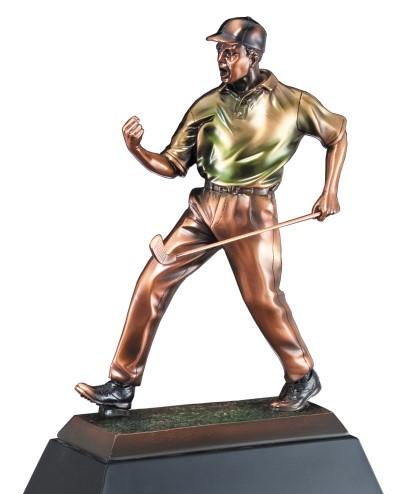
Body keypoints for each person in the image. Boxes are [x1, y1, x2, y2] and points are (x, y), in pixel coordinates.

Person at [75, 16, 347, 414]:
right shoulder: (207, 104)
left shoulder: (293, 102)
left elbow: (337, 133)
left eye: (230, 52)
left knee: (262, 298)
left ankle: (302, 374)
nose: (221, 59)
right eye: (219, 51)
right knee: (152, 281)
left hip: (253, 212)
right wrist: (138, 150)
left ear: (253, 56)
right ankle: (122, 384)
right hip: (205, 207)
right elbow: (173, 163)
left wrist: (330, 190)